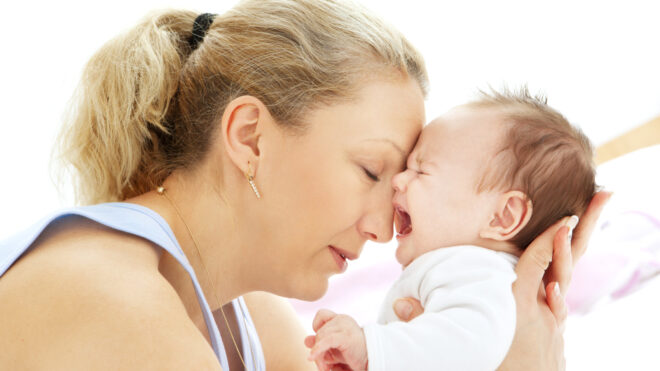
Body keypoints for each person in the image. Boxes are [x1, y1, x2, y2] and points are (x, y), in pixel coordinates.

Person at [0, 0, 610, 370]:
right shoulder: (103, 295)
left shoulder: (251, 319)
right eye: (372, 171)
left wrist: (509, 322)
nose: (381, 227)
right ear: (249, 137)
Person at [306, 89, 597, 371]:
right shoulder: (472, 272)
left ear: (503, 217)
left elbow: (467, 346)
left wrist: (369, 348)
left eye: (420, 170)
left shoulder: (478, 270)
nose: (397, 180)